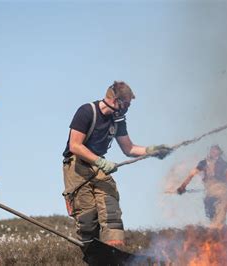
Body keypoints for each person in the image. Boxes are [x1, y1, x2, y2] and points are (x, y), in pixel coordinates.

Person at [62, 81, 172, 248]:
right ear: (115, 101)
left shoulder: (118, 119)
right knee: (87, 219)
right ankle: (92, 253)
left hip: (99, 166)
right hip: (77, 166)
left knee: (111, 210)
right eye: (126, 104)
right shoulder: (86, 111)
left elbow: (129, 148)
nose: (127, 108)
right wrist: (99, 161)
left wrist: (152, 150)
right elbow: (75, 145)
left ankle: (114, 251)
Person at [174, 145, 227, 229]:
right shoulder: (203, 163)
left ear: (219, 153)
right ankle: (215, 229)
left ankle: (219, 229)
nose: (212, 152)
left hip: (221, 190)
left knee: (221, 211)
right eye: (211, 151)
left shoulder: (224, 164)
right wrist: (182, 187)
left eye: (215, 151)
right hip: (211, 191)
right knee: (211, 212)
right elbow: (192, 174)